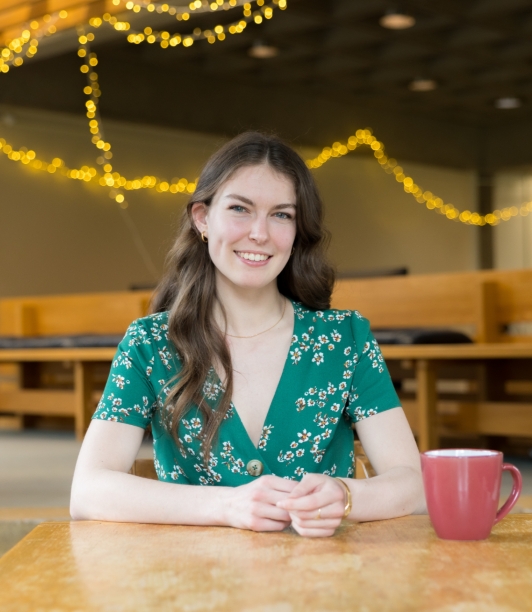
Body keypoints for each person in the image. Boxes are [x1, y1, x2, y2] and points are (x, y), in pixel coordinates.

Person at [70, 131, 426, 537]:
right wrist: (226, 505)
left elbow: (414, 486)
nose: (260, 233)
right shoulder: (150, 343)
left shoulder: (345, 338)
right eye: (240, 208)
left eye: (281, 214)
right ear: (202, 218)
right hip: (194, 589)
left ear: (297, 230)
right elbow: (87, 491)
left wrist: (346, 495)